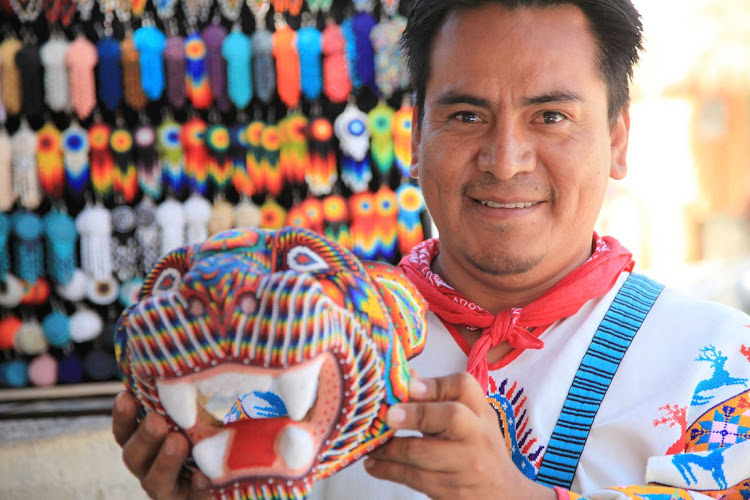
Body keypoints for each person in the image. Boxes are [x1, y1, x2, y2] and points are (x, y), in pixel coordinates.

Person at [112, 1, 750, 499]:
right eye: (467, 116)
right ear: (415, 136)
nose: (505, 162)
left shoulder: (715, 365)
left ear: (617, 139)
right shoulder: (303, 341)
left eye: (551, 116)